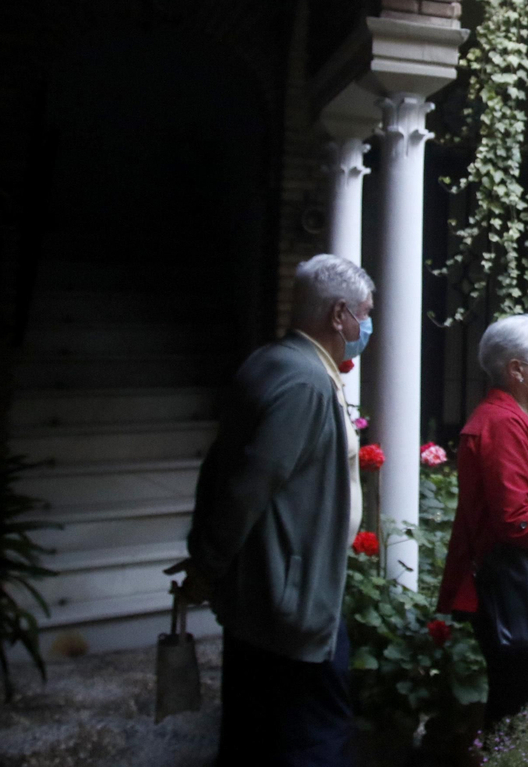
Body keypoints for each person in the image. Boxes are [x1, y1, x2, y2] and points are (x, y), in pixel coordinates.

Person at [172, 253, 373, 767]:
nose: (366, 326)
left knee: (255, 732)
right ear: (338, 315)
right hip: (293, 602)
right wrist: (207, 564)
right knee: (312, 738)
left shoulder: (270, 361)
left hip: (274, 594)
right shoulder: (304, 381)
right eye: (363, 314)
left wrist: (208, 561)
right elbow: (248, 485)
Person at [438, 314, 528, 727]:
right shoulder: (502, 423)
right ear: (516, 369)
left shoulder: (512, 418)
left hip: (517, 583)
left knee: (519, 702)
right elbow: (516, 520)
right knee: (518, 707)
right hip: (513, 586)